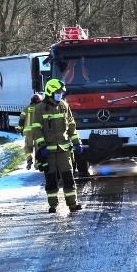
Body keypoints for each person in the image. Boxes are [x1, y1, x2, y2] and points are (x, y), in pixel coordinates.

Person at [31, 79, 83, 213]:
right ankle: (52, 205)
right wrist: (41, 146)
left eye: (61, 92)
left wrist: (77, 142)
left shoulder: (64, 106)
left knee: (68, 178)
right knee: (51, 179)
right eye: (58, 92)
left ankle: (72, 203)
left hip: (64, 150)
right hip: (48, 152)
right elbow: (36, 129)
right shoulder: (39, 108)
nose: (60, 95)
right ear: (50, 92)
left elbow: (71, 126)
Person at [18, 93, 43, 170]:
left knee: (28, 147)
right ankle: (37, 164)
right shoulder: (40, 108)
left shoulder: (26, 108)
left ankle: (29, 158)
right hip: (38, 131)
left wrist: (20, 129)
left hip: (28, 132)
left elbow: (21, 120)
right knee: (38, 147)